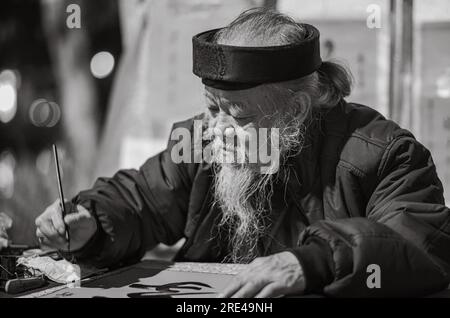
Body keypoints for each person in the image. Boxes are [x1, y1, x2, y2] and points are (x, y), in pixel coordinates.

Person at [35, 8, 450, 297]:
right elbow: (141, 199)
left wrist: (315, 261)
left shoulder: (384, 154)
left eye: (237, 114)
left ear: (296, 109)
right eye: (212, 107)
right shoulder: (202, 142)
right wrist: (90, 220)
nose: (215, 129)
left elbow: (417, 245)